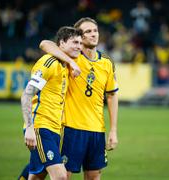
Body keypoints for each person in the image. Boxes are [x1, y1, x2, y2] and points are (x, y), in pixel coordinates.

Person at [40, 17, 119, 180]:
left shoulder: (107, 62)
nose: (93, 34)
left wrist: (113, 130)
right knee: (63, 175)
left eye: (95, 30)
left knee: (94, 176)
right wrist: (70, 61)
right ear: (79, 36)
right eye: (88, 31)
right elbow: (44, 44)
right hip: (70, 128)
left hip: (97, 130)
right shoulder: (72, 55)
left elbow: (111, 95)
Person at [19, 26, 82, 180]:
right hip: (41, 126)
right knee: (60, 176)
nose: (79, 47)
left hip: (55, 129)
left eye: (80, 43)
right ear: (61, 43)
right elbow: (27, 94)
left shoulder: (65, 65)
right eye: (75, 42)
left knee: (37, 176)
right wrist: (29, 128)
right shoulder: (49, 62)